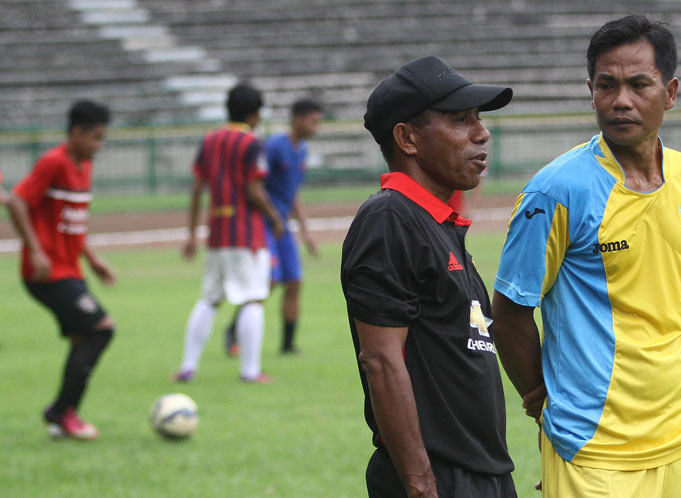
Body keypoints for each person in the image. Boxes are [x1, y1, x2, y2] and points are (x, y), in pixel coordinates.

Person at [492, 15, 681, 496]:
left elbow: (677, 301)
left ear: (670, 92)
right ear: (590, 91)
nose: (621, 101)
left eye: (639, 84)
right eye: (606, 85)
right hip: (593, 447)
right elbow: (509, 313)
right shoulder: (555, 191)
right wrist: (541, 401)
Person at [341, 56, 516, 497]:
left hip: (482, 475)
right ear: (407, 138)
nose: (481, 132)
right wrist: (420, 486)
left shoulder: (437, 224)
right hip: (438, 480)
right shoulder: (389, 218)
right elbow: (380, 361)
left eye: (478, 118)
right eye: (460, 120)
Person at [6, 100, 115, 440]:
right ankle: (61, 411)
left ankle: (63, 417)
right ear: (76, 133)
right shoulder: (53, 162)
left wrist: (93, 259)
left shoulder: (84, 167)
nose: (99, 146)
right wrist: (35, 251)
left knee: (82, 339)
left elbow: (71, 224)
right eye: (95, 138)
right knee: (101, 329)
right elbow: (16, 201)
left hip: (70, 270)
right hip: (47, 274)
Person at [172, 83, 284, 384]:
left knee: (209, 298)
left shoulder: (210, 140)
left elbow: (197, 188)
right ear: (253, 114)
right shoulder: (252, 143)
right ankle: (250, 371)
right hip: (246, 234)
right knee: (252, 299)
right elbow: (253, 189)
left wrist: (192, 234)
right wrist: (274, 217)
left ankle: (187, 367)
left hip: (217, 234)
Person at [223, 98, 322, 356]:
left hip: (283, 226)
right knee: (266, 282)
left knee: (294, 282)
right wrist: (274, 217)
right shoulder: (275, 146)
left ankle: (288, 345)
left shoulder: (302, 151)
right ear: (297, 119)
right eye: (314, 120)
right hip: (264, 223)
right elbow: (256, 185)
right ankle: (234, 331)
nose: (317, 126)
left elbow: (293, 194)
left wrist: (306, 232)